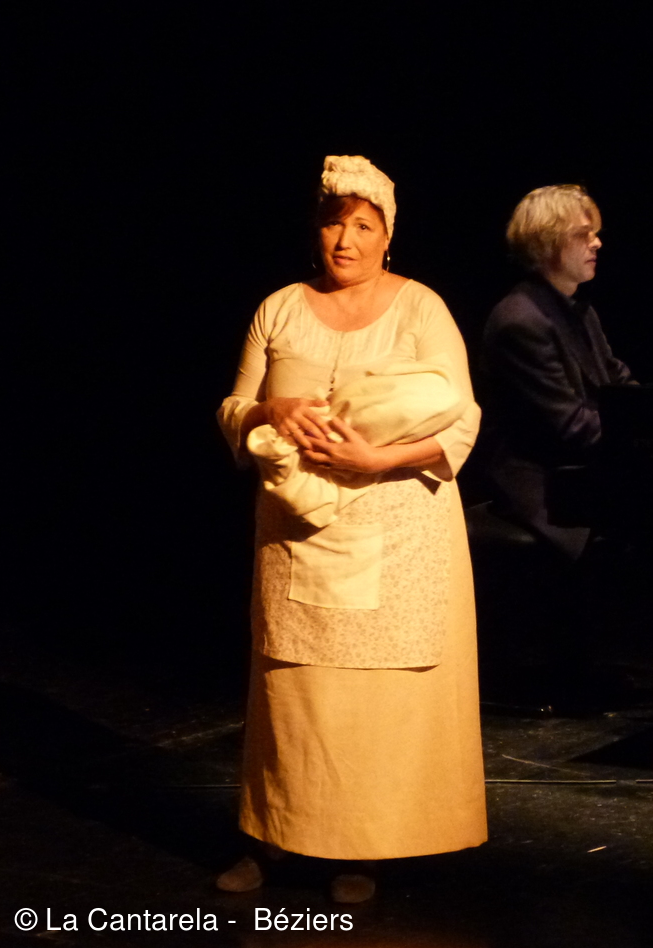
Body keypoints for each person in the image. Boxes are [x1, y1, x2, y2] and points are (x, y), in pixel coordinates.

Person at [215, 155, 486, 902]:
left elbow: (462, 421)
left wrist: (377, 457)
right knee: (293, 698)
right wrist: (269, 410)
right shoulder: (279, 308)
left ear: (387, 235)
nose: (346, 240)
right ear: (316, 230)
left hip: (397, 531)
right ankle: (271, 839)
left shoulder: (421, 308)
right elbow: (232, 409)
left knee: (372, 705)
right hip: (296, 533)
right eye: (335, 224)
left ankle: (359, 850)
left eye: (364, 226)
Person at [478, 184, 634, 560]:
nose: (597, 243)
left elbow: (617, 381)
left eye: (595, 233)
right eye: (584, 234)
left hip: (580, 469)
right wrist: (645, 437)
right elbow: (569, 427)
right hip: (544, 485)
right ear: (548, 242)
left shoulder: (578, 309)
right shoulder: (520, 320)